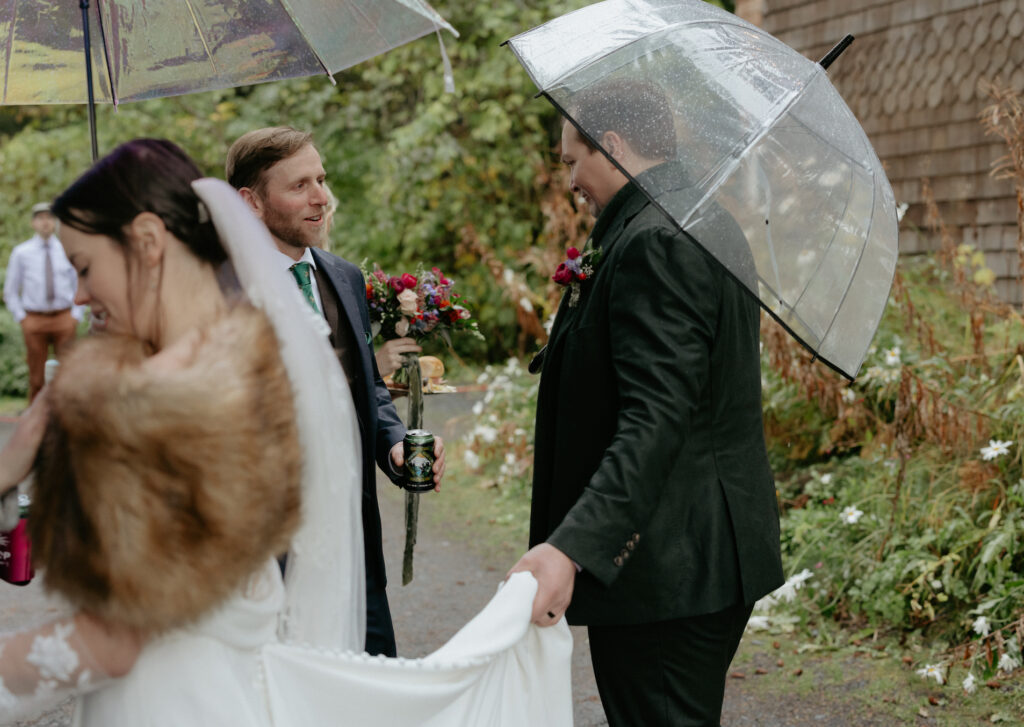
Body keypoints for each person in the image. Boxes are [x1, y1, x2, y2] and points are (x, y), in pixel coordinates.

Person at [0, 139, 571, 727]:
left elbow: (117, 635)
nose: (76, 294)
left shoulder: (185, 393)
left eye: (85, 267)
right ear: (249, 201)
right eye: (300, 183)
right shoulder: (221, 356)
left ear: (147, 242)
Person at [508, 81, 784, 726]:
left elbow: (656, 418)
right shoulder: (685, 216)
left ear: (613, 145)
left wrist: (572, 546)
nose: (571, 178)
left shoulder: (659, 238)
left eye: (573, 159)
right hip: (682, 555)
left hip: (671, 562)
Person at [226, 127, 445, 657]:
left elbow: (364, 383)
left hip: (351, 538)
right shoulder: (221, 292)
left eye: (320, 179)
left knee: (374, 683)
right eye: (299, 185)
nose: (321, 196)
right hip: (263, 547)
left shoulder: (342, 276)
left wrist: (394, 444)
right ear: (250, 202)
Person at [3, 203, 84, 402]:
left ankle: (64, 420)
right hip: (34, 319)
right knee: (37, 377)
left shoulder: (66, 249)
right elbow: (11, 291)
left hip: (64, 317)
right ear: (33, 223)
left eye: (49, 217)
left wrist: (76, 315)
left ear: (55, 222)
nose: (45, 222)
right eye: (40, 218)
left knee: (66, 373)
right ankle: (35, 423)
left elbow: (78, 283)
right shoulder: (22, 253)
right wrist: (22, 318)